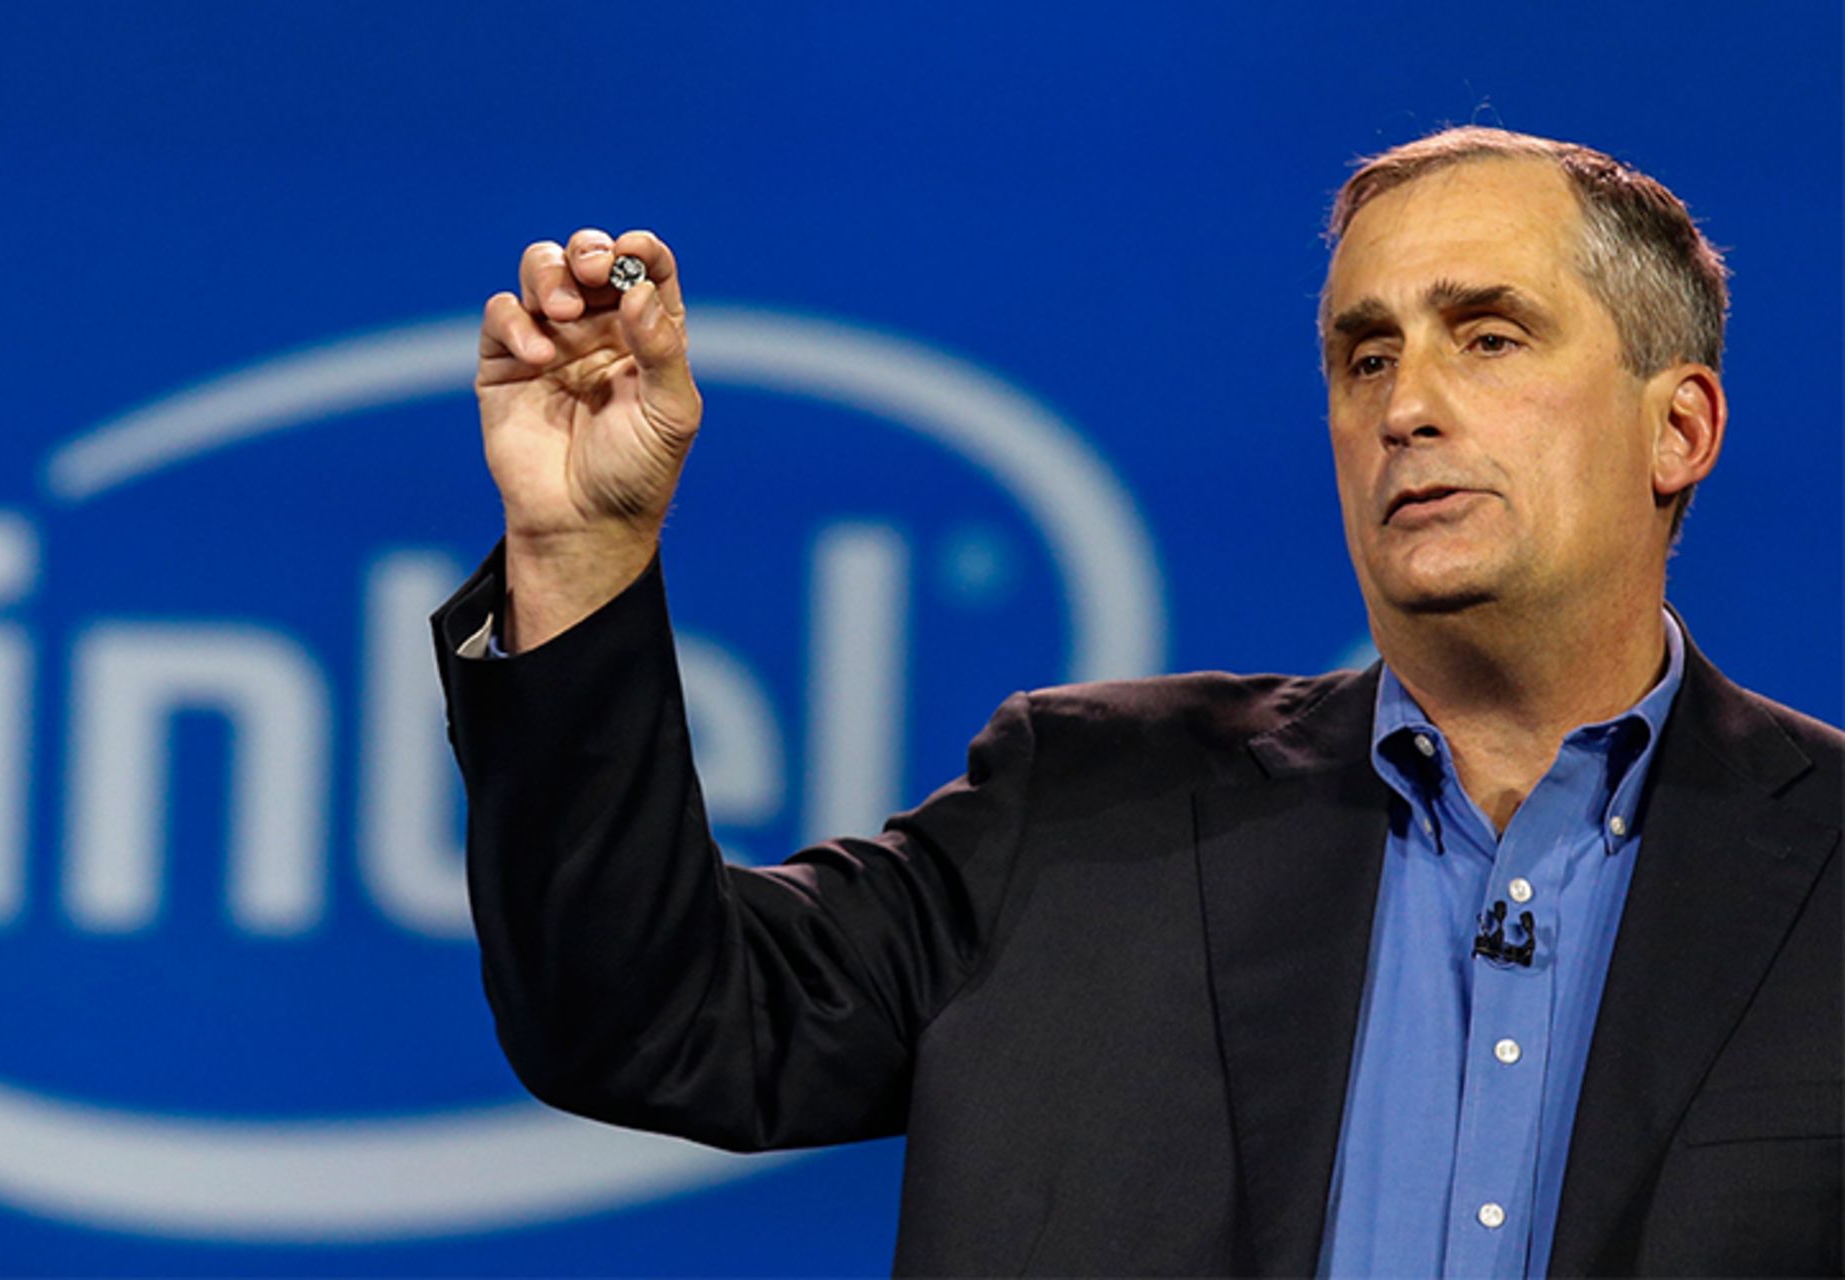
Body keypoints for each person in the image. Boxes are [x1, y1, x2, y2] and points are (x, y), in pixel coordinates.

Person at [432, 127, 1841, 1276]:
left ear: (1679, 428)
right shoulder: (1084, 812)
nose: (1406, 405)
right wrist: (582, 555)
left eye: (1487, 339)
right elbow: (651, 1019)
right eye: (1365, 356)